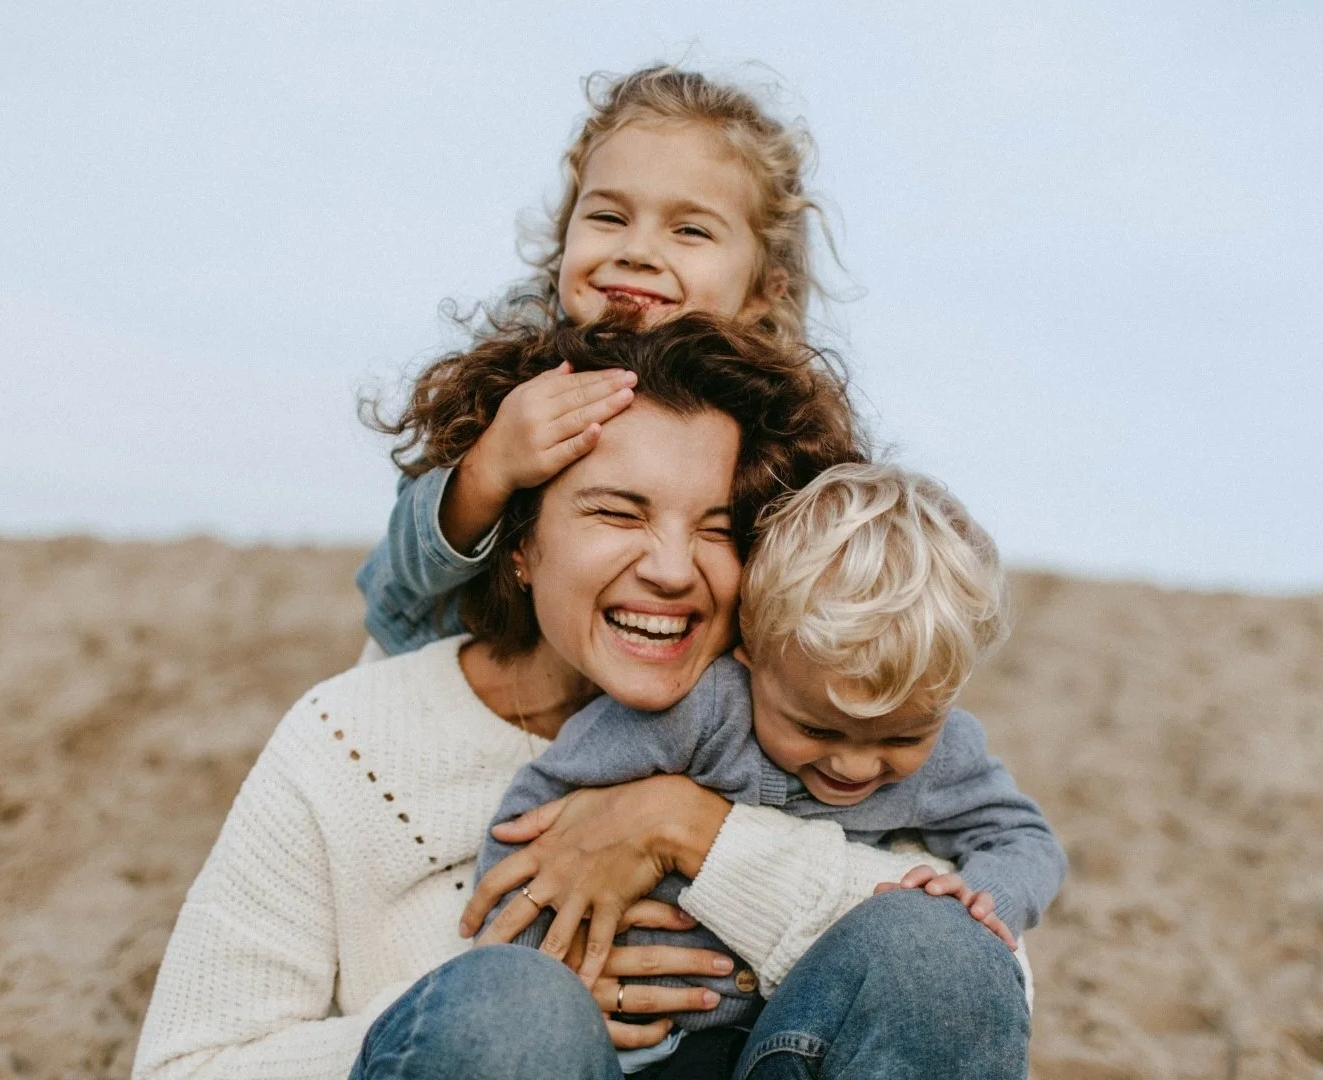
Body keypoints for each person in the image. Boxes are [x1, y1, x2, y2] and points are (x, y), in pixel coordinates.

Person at [133, 316, 1033, 1080]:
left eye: (718, 529)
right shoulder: (350, 738)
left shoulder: (825, 722)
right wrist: (476, 1009)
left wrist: (694, 831)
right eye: (617, 512)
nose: (674, 570)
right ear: (522, 543)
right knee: (513, 1011)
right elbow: (190, 1065)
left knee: (935, 955)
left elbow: (982, 983)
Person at [476, 463, 1065, 1060]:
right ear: (751, 646)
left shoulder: (947, 754)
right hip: (626, 1043)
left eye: (901, 739)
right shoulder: (699, 711)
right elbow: (541, 815)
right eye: (815, 728)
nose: (856, 767)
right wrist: (540, 969)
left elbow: (1026, 839)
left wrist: (984, 897)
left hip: (789, 1035)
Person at [357, 65, 834, 656]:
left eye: (689, 230)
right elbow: (398, 574)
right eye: (608, 217)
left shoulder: (772, 421)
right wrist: (492, 464)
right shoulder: (516, 365)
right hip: (453, 670)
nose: (636, 251)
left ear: (765, 291)